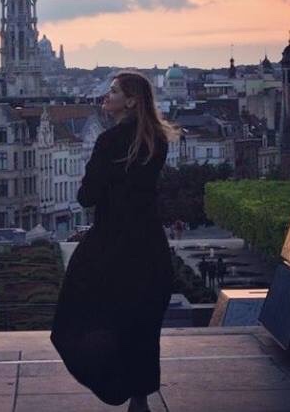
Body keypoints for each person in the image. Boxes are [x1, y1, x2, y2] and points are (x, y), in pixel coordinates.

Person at [50, 71, 178, 412]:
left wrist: (92, 179)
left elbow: (87, 196)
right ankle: (139, 399)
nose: (106, 97)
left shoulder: (109, 141)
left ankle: (111, 382)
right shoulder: (157, 141)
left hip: (111, 244)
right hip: (149, 244)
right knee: (141, 324)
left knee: (74, 318)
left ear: (131, 101)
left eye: (114, 91)